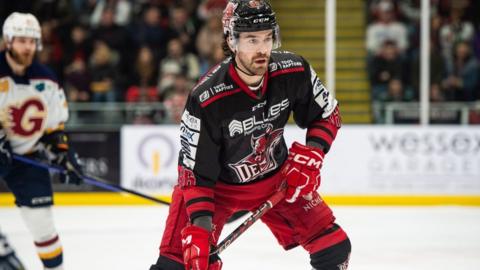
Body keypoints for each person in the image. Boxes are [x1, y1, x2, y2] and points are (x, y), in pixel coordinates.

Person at [149, 1, 351, 269]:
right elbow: (194, 173)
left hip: (277, 180)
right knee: (178, 264)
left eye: (268, 38)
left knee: (335, 249)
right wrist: (200, 227)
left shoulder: (294, 70)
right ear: (231, 41)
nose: (262, 49)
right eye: (252, 40)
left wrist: (314, 150)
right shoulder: (206, 98)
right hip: (218, 190)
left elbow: (327, 113)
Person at [0, 12, 83, 270]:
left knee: (43, 226)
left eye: (32, 41)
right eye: (21, 40)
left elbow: (54, 127)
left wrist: (62, 153)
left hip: (27, 157)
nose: (27, 47)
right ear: (8, 40)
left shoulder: (46, 79)